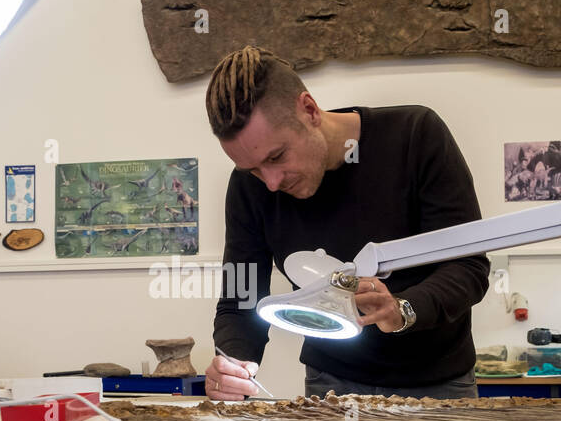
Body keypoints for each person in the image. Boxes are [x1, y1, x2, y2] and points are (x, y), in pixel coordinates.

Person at [203, 46, 490, 401]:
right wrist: (232, 364)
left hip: (438, 381)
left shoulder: (415, 136)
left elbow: (468, 267)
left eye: (277, 157)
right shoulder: (250, 187)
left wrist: (403, 308)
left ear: (309, 110)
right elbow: (240, 297)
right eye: (254, 169)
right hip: (330, 382)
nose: (272, 182)